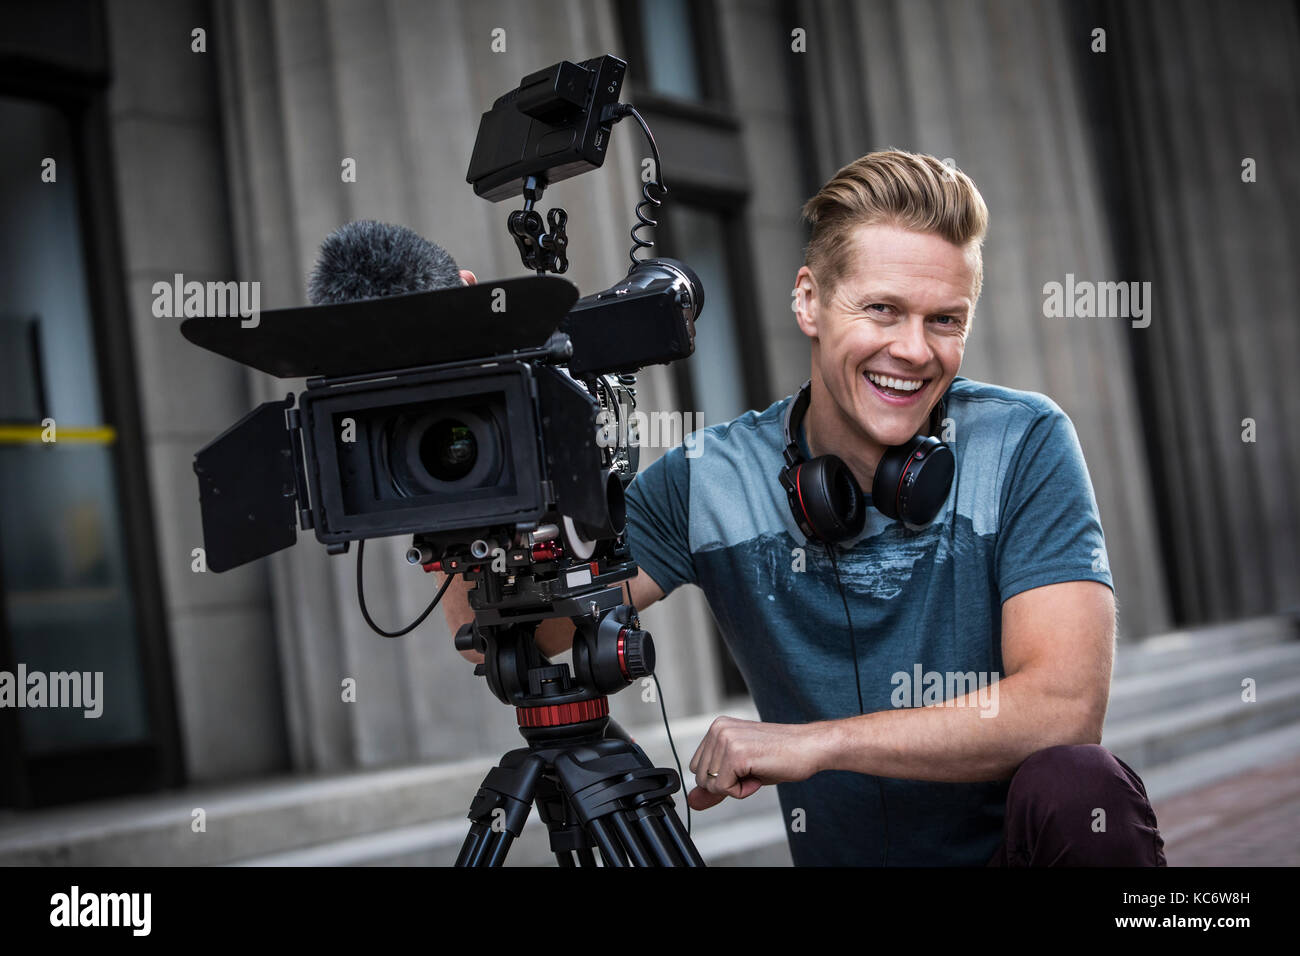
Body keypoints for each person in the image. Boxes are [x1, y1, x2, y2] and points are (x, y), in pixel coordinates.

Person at [448, 149, 1166, 866]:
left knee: (1082, 787)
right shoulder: (709, 480)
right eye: (882, 309)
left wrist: (817, 742)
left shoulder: (1023, 441)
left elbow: (1064, 708)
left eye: (945, 320)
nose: (915, 351)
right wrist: (461, 435)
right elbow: (514, 635)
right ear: (809, 301)